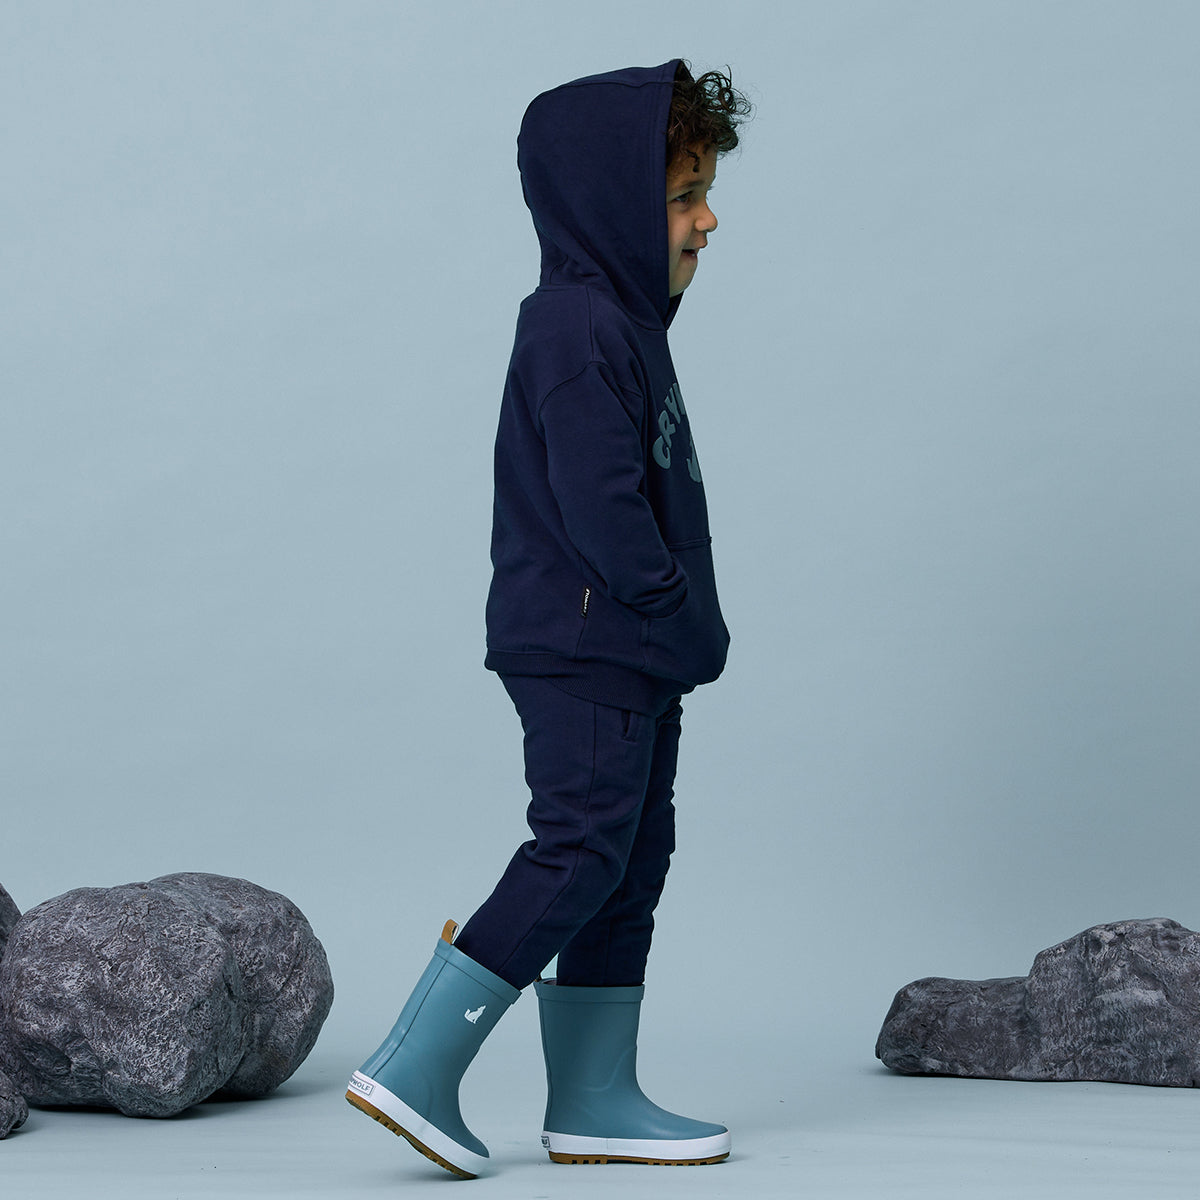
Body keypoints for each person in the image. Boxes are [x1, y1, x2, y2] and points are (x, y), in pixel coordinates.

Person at [346, 59, 751, 1179]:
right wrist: (675, 610)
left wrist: (679, 631)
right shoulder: (575, 328)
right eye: (684, 196)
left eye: (706, 193)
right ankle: (416, 1065)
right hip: (588, 643)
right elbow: (604, 512)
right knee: (579, 849)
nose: (708, 220)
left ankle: (593, 1097)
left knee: (631, 859)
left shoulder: (626, 327)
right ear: (613, 206)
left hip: (635, 649)